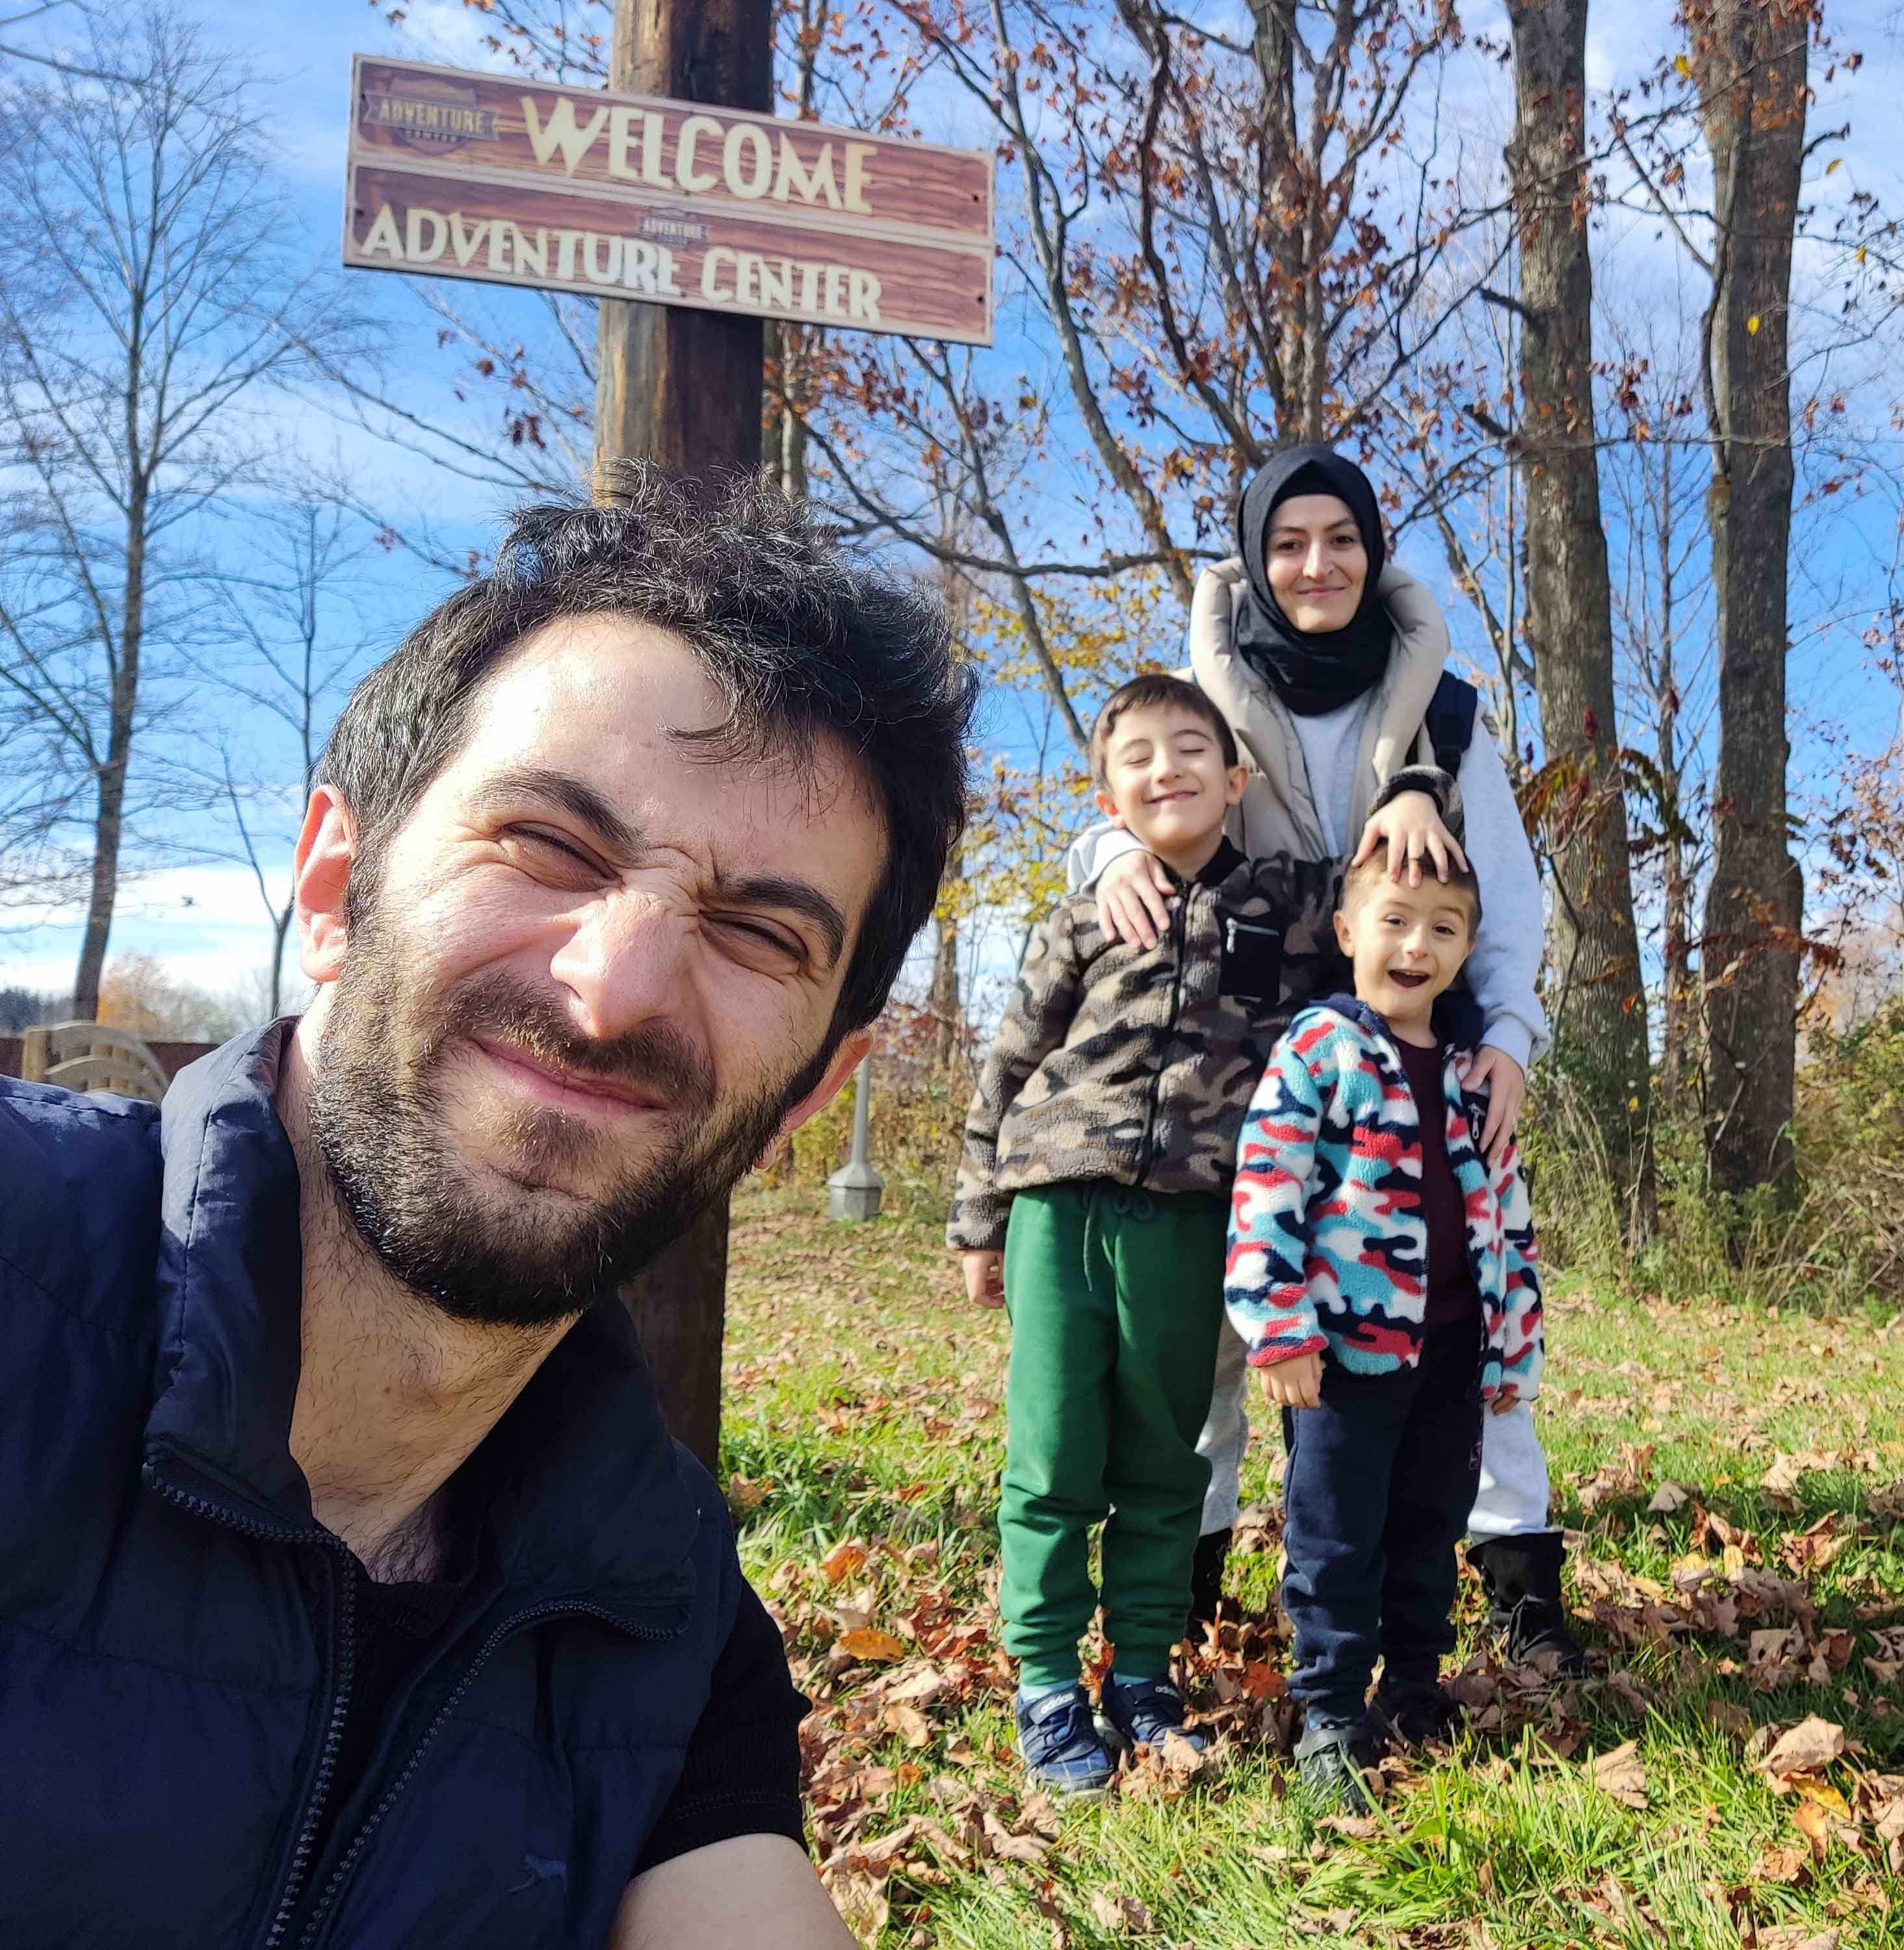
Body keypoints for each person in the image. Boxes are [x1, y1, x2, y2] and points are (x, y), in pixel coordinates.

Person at [0, 476, 974, 1949]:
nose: (615, 989)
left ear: (808, 1094)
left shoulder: (664, 1614)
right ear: (334, 885)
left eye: (759, 933)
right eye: (550, 846)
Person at [1074, 443, 1583, 1674]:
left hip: (1423, 1062)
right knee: (1220, 1337)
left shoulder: (1448, 716)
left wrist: (1510, 1037)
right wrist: (1108, 862)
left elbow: (1507, 897)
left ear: (1373, 551)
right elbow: (1130, 797)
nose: (1317, 564)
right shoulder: (1207, 693)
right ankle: (1187, 1581)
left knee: (1450, 1319)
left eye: (1341, 539)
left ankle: (1516, 1578)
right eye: (1289, 541)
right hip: (1240, 1059)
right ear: (1255, 558)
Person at [950, 671, 1456, 1794]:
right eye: (1137, 757)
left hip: (1195, 1221)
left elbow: (1399, 897)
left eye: (1191, 750)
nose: (1165, 770)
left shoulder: (1288, 900)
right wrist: (978, 1214)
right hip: (1058, 1201)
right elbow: (1010, 1058)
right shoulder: (1089, 909)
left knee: (1165, 1455)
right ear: (1106, 795)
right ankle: (1043, 1677)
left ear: (1238, 780)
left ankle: (1141, 1672)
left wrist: (1417, 786)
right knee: (1051, 1457)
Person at [1225, 848, 1543, 1809]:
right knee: (1336, 1531)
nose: (1416, 945)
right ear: (1350, 933)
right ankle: (1328, 1707)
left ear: (1467, 951)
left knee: (1428, 1524)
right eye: (1396, 921)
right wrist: (1278, 1328)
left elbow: (1507, 1214)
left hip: (1451, 1351)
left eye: (1443, 929)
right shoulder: (1320, 1050)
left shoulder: (1471, 1073)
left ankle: (1412, 1682)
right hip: (1344, 1354)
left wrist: (1511, 1341)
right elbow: (1267, 1187)